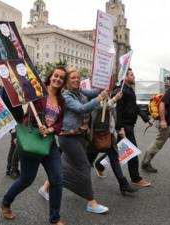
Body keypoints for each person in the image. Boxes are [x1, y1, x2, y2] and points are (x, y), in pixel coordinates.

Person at [1, 66, 67, 225]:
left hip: (49, 144)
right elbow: (27, 117)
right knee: (26, 179)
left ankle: (54, 219)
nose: (57, 79)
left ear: (63, 82)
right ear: (50, 77)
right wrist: (25, 132)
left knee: (57, 179)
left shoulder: (61, 100)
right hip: (32, 142)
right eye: (55, 76)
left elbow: (59, 123)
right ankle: (6, 202)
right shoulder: (37, 94)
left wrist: (51, 128)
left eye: (61, 78)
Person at [53, 69, 109, 214]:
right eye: (73, 78)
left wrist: (104, 82)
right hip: (67, 137)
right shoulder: (66, 95)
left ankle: (47, 186)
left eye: (78, 78)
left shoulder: (81, 92)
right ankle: (91, 202)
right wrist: (99, 99)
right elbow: (81, 108)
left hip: (79, 136)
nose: (77, 80)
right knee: (84, 166)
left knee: (65, 165)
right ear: (67, 81)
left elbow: (96, 92)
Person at [87, 90, 139, 196]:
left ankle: (123, 184)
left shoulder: (110, 100)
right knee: (87, 162)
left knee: (115, 158)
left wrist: (118, 129)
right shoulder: (95, 100)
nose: (107, 92)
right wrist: (114, 99)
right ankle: (81, 183)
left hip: (109, 135)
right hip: (96, 137)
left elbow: (113, 116)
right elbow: (100, 109)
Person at [113, 68, 152, 187]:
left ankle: (99, 165)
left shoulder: (129, 90)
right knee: (132, 151)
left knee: (116, 151)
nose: (133, 76)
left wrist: (146, 118)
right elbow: (118, 110)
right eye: (131, 75)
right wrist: (120, 128)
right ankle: (136, 178)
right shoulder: (120, 91)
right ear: (124, 77)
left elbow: (134, 106)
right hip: (125, 125)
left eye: (133, 74)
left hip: (129, 124)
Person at [0, 85, 23, 179]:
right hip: (11, 119)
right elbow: (5, 103)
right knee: (17, 143)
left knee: (14, 144)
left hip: (20, 117)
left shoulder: (17, 86)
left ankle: (10, 168)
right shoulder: (6, 88)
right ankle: (13, 169)